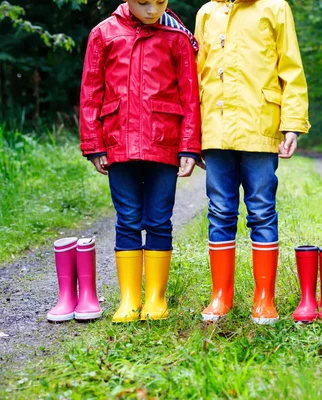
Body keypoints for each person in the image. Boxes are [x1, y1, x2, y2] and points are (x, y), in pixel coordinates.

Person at [79, 0, 201, 323]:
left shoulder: (177, 37)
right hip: (118, 144)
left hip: (165, 144)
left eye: (158, 2)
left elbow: (191, 96)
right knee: (128, 219)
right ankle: (130, 298)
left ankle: (156, 299)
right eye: (143, 3)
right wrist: (93, 143)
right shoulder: (103, 34)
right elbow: (91, 91)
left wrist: (189, 147)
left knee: (160, 219)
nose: (151, 10)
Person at [195, 0, 310, 324]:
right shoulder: (206, 13)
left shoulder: (275, 8)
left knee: (261, 208)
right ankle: (221, 295)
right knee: (219, 210)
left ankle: (264, 298)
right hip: (215, 130)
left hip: (260, 127)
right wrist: (192, 135)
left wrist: (292, 124)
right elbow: (197, 75)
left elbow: (292, 70)